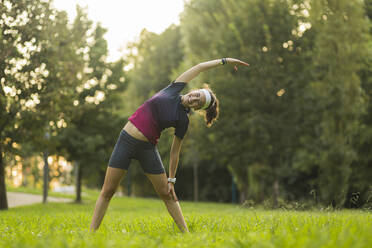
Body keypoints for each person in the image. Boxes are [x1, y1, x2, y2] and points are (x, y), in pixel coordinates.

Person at [90, 58, 249, 233]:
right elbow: (199, 67)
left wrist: (171, 180)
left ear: (197, 109)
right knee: (108, 190)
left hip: (147, 149)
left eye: (198, 102)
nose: (194, 98)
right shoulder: (174, 88)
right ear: (194, 90)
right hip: (126, 140)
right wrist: (225, 61)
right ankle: (91, 234)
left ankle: (187, 235)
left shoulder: (183, 120)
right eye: (197, 94)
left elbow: (175, 152)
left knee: (168, 193)